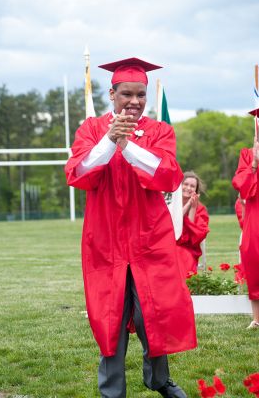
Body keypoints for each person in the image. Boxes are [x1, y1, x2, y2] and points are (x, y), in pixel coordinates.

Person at [65, 57, 197, 398]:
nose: (135, 101)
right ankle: (112, 391)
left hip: (149, 239)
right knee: (110, 318)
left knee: (154, 313)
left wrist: (128, 145)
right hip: (105, 241)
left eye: (140, 94)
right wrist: (109, 141)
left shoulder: (159, 132)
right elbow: (77, 173)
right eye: (127, 94)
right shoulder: (91, 130)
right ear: (112, 94)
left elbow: (168, 176)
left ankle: (158, 380)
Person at [232, 137, 259, 329]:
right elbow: (242, 188)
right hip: (255, 218)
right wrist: (255, 164)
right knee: (255, 263)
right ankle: (257, 319)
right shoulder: (247, 155)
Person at [175, 171, 209, 278]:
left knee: (183, 257)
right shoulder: (170, 202)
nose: (188, 188)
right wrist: (188, 204)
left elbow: (193, 237)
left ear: (196, 190)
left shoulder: (200, 209)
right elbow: (172, 221)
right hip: (167, 245)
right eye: (185, 184)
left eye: (192, 186)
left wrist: (192, 208)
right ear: (179, 185)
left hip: (186, 248)